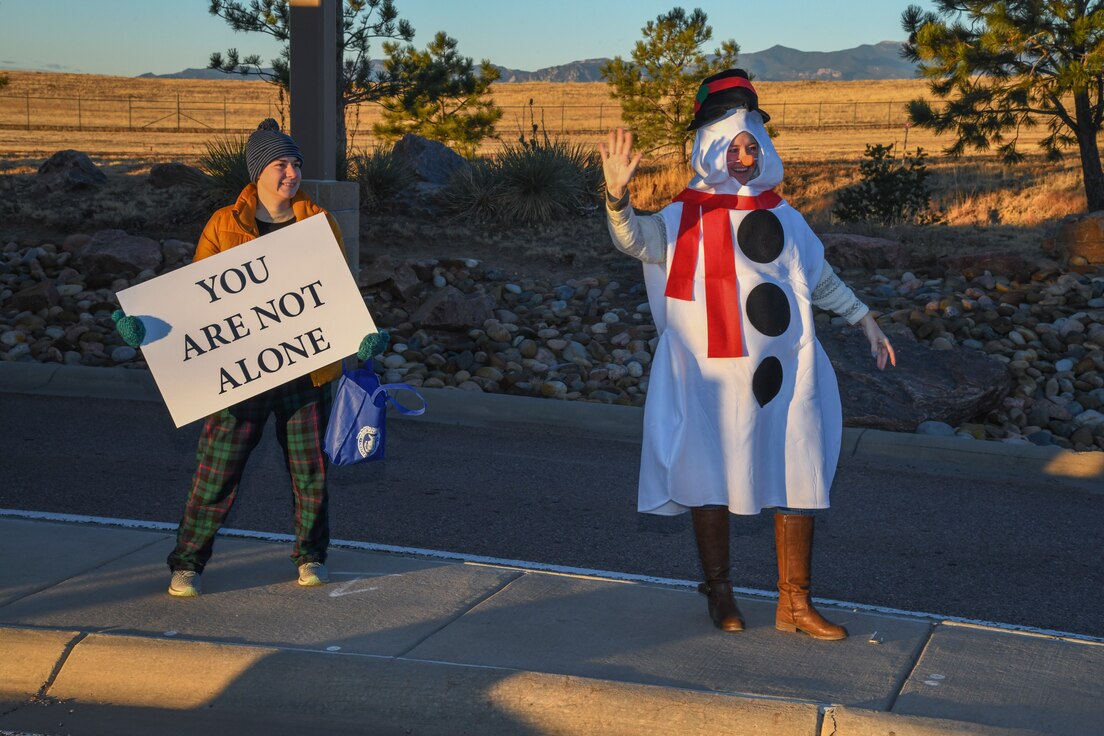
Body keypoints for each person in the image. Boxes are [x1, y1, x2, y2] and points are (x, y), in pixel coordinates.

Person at [598, 69, 896, 640]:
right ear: (709, 150)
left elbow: (820, 278)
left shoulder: (784, 216)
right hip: (710, 373)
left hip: (785, 369)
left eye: (751, 144)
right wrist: (616, 198)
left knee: (795, 466)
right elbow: (635, 240)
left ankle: (794, 604)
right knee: (710, 468)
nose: (743, 155)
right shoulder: (683, 216)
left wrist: (865, 320)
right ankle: (720, 590)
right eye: (732, 145)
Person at [115, 119, 388, 597]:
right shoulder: (225, 223)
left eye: (297, 163)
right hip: (237, 377)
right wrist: (148, 330)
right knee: (216, 470)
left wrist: (360, 339)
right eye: (281, 163)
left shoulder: (319, 223)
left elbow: (338, 292)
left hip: (308, 371)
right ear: (258, 170)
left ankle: (310, 556)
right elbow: (198, 301)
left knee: (310, 473)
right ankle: (188, 563)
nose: (291, 172)